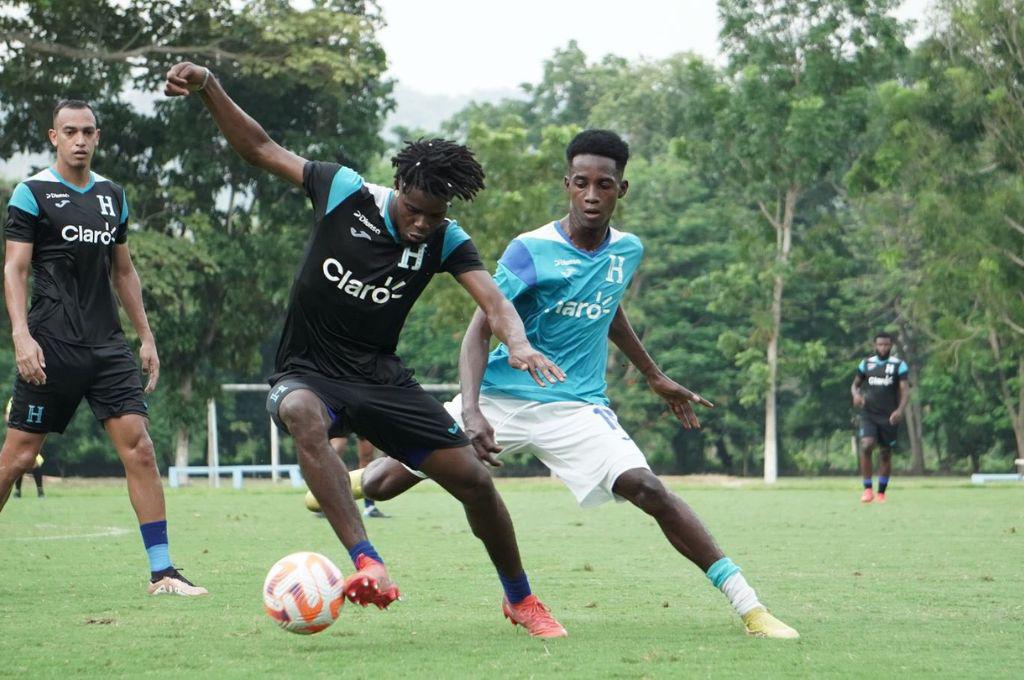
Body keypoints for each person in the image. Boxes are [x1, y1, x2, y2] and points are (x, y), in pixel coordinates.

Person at [164, 62, 568, 637]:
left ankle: (520, 599)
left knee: (475, 482)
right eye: (415, 211)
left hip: (380, 379)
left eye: (436, 215)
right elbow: (259, 147)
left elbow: (495, 302)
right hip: (306, 370)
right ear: (398, 189)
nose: (424, 224)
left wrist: (521, 344)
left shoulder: (447, 240)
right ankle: (365, 558)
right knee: (304, 413)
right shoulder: (344, 191)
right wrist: (209, 86)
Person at [356, 129, 800, 639]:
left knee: (648, 488)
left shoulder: (626, 252)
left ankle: (751, 608)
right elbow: (480, 329)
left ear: (621, 190)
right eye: (582, 183)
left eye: (604, 185)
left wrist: (654, 375)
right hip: (499, 396)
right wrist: (473, 411)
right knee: (381, 486)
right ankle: (347, 480)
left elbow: (609, 311)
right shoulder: (531, 249)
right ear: (567, 184)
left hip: (575, 406)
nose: (592, 195)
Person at [0, 100, 207, 596]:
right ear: (54, 136)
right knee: (18, 457)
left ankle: (163, 573)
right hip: (50, 346)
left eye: (87, 132)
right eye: (69, 131)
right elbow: (15, 269)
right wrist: (21, 335)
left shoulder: (113, 196)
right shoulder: (32, 193)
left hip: (107, 347)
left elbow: (124, 271)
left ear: (97, 136)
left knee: (140, 448)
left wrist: (146, 335)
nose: (79, 140)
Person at [851, 332, 909, 503]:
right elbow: (855, 385)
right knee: (867, 445)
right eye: (880, 345)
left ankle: (881, 492)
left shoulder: (899, 365)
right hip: (869, 413)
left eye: (886, 345)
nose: (883, 348)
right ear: (874, 346)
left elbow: (905, 391)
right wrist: (856, 395)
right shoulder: (866, 364)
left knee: (885, 453)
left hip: (889, 416)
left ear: (891, 346)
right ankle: (867, 489)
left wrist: (899, 410)